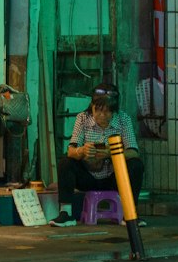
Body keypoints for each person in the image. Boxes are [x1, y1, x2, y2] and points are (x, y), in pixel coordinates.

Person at [54, 83, 143, 225]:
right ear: (92, 106)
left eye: (107, 111)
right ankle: (66, 213)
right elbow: (71, 151)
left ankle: (131, 214)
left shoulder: (123, 119)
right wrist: (82, 151)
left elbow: (133, 152)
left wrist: (111, 153)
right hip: (87, 177)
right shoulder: (82, 118)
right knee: (65, 163)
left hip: (114, 178)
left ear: (114, 111)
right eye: (98, 110)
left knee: (136, 165)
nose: (102, 115)